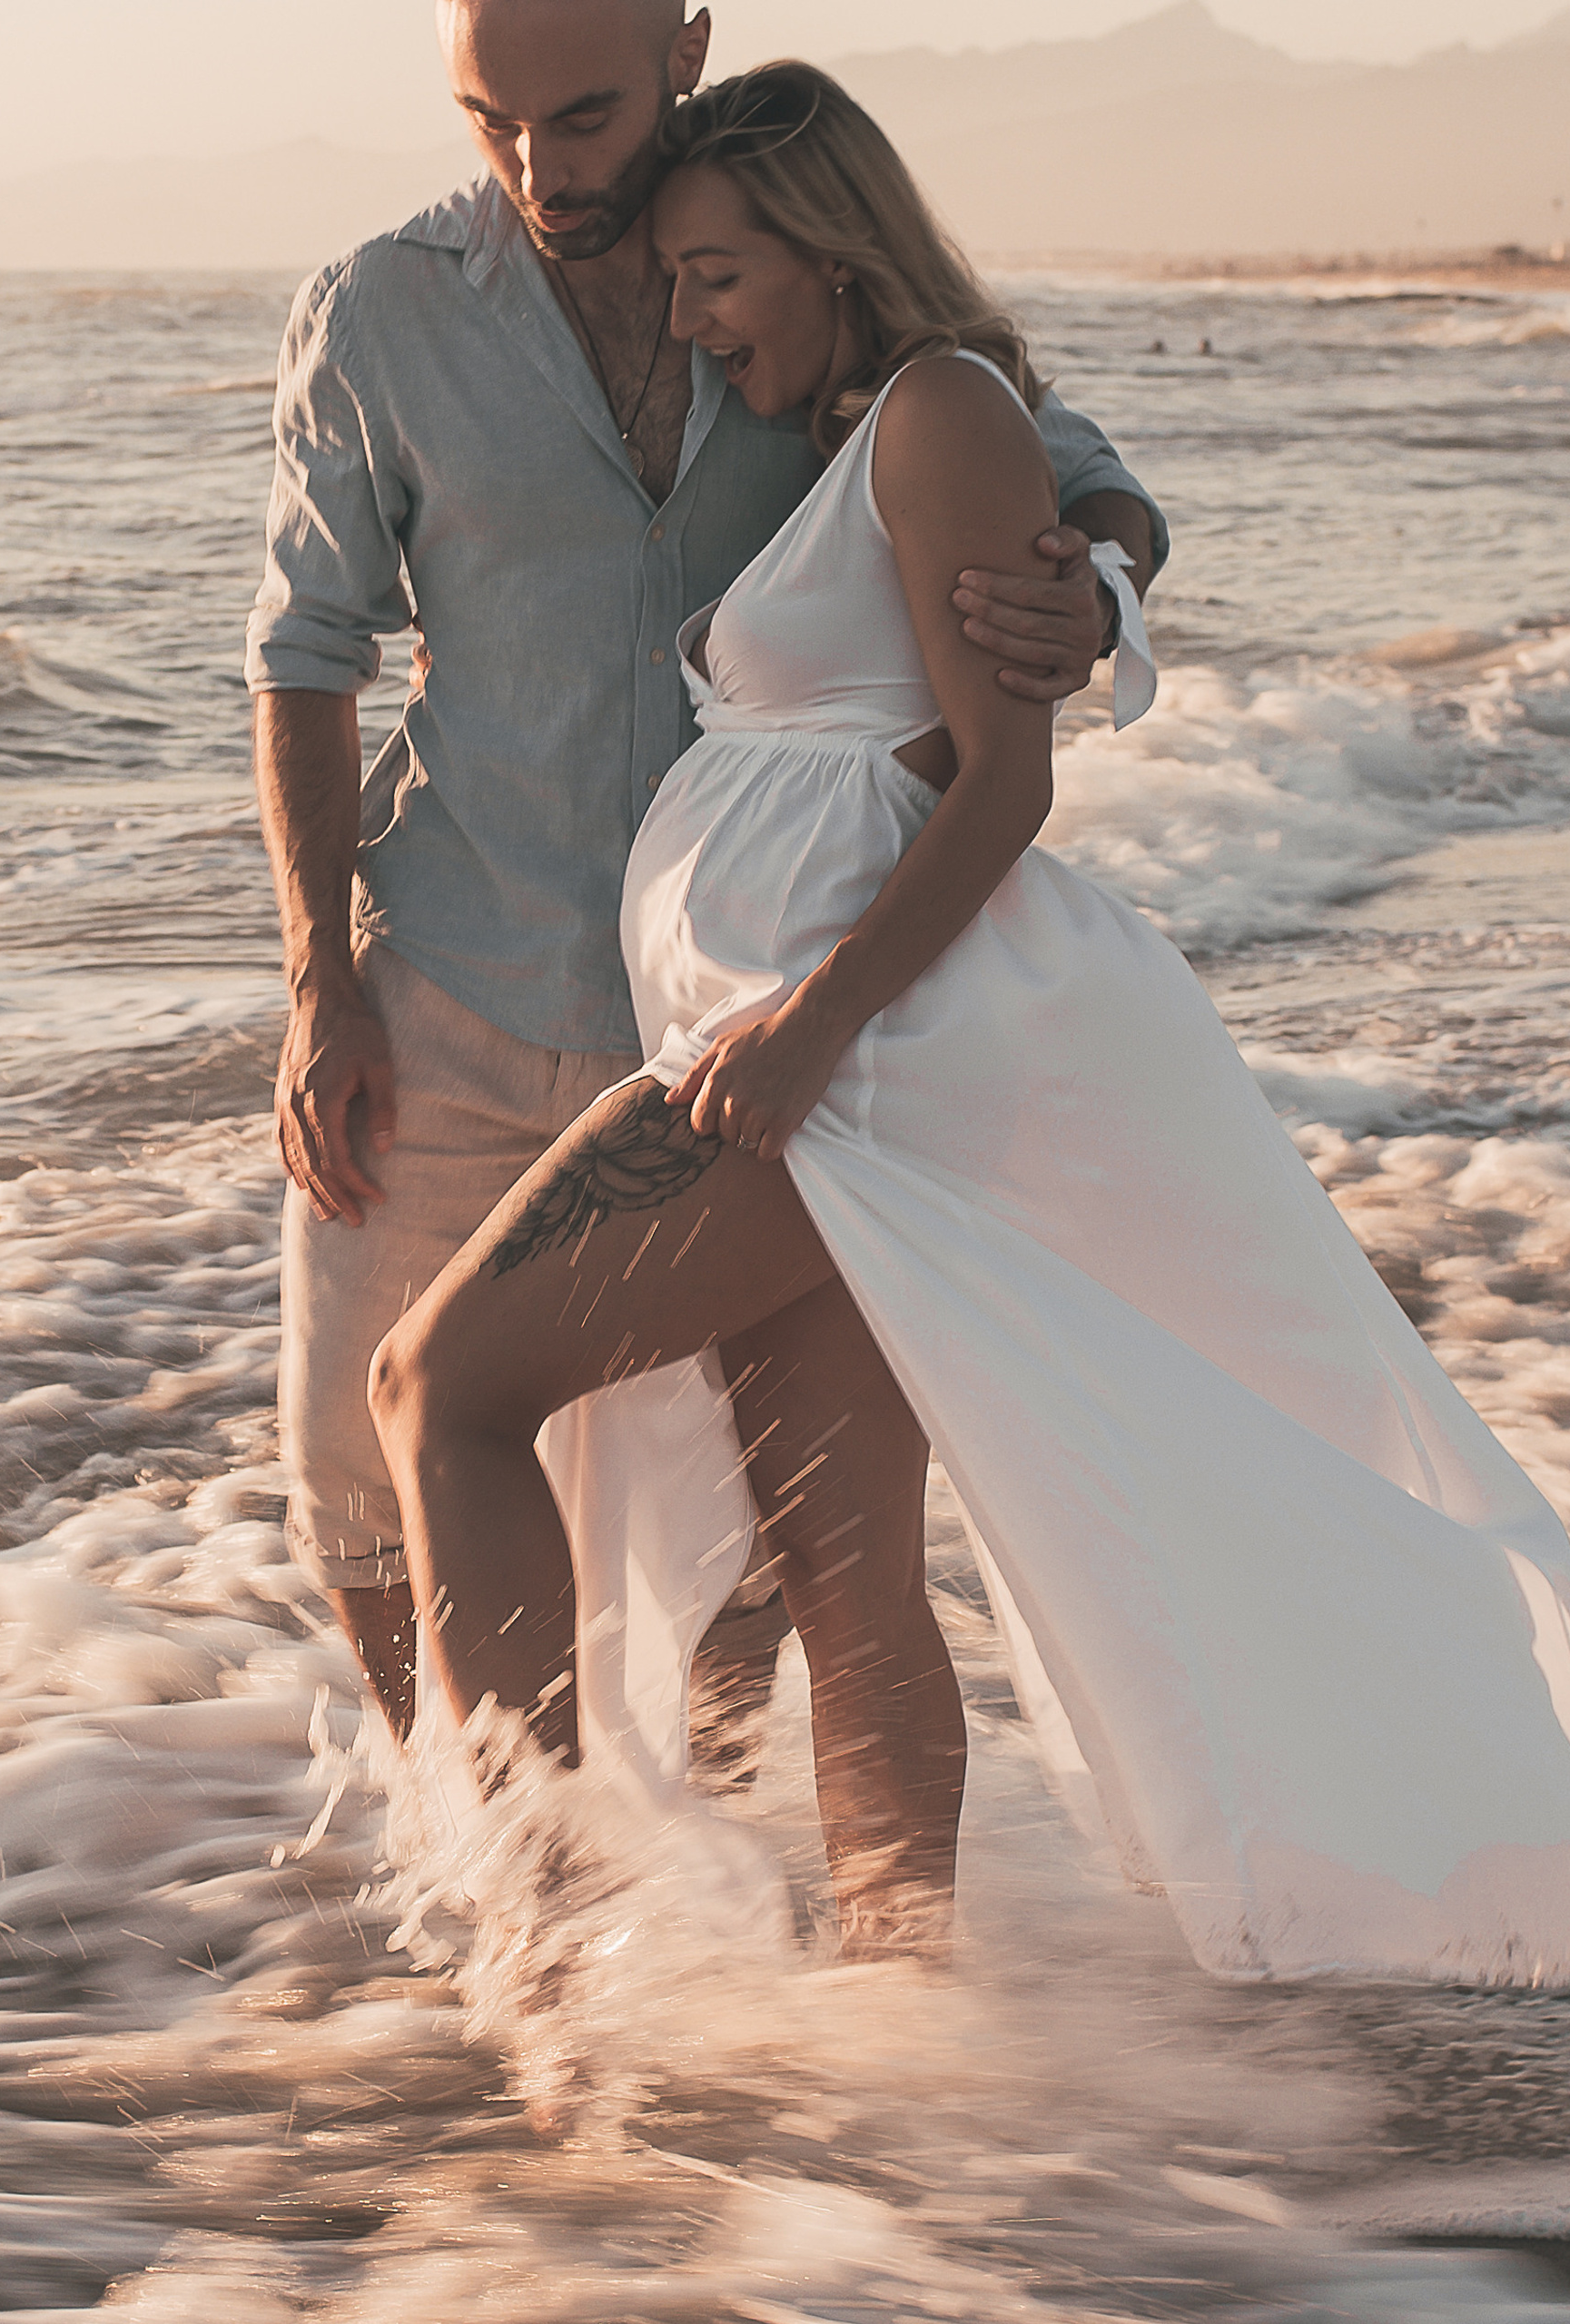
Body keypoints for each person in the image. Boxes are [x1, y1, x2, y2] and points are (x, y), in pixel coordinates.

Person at [368, 62, 1570, 1981]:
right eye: (683, 282)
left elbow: (1000, 786)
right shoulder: (861, 415)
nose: (696, 319)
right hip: (797, 1040)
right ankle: (908, 2001)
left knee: (437, 1391)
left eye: (720, 275)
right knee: (842, 1565)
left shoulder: (940, 410)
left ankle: (535, 1949)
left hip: (841, 1056)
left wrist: (808, 1026)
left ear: (822, 248)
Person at [245, 0, 1166, 1742]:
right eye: (487, 120)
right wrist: (319, 983)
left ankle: (682, 1934)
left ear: (686, 45)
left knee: (744, 1544)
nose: (538, 169)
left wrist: (1097, 591)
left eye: (580, 115)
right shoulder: (380, 313)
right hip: (447, 981)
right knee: (364, 1494)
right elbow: (306, 656)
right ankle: (502, 1887)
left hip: (728, 1014)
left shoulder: (795, 280)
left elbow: (1077, 471)